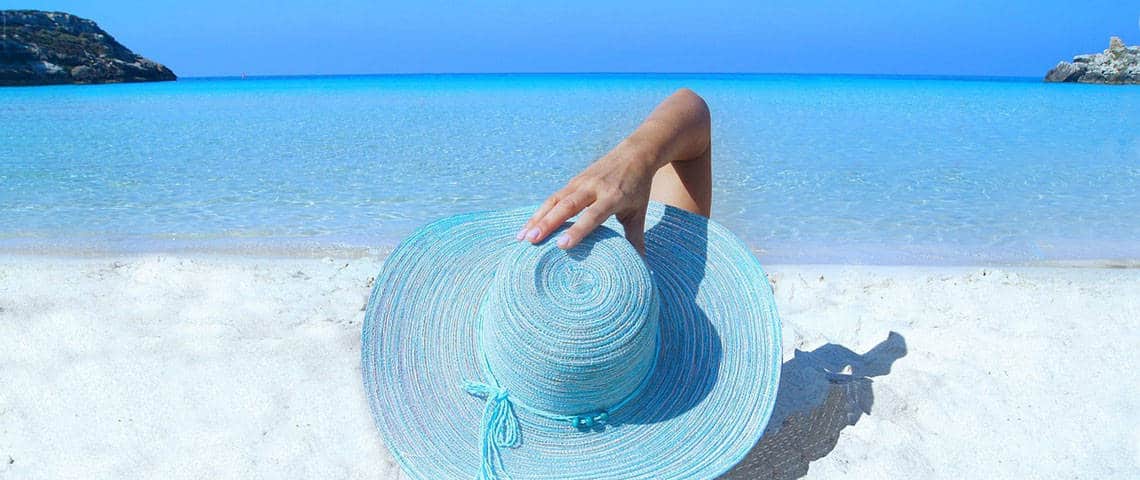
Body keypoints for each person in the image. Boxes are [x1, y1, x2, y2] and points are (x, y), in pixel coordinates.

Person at [514, 88, 713, 254]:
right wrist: (637, 157)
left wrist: (633, 158)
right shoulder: (672, 260)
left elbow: (690, 105)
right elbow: (691, 106)